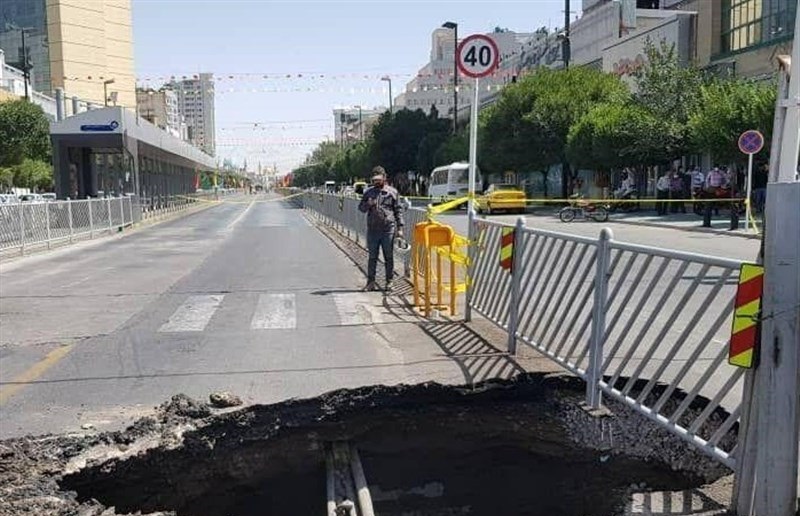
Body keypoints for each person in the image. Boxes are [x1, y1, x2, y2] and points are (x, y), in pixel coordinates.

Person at [359, 167, 405, 292]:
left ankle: (389, 282)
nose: (377, 182)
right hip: (373, 230)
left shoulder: (392, 192)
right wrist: (368, 204)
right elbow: (361, 208)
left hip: (387, 229)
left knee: (388, 256)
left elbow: (398, 211)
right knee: (372, 257)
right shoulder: (368, 193)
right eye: (374, 180)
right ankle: (371, 282)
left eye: (379, 179)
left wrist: (400, 228)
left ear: (384, 178)